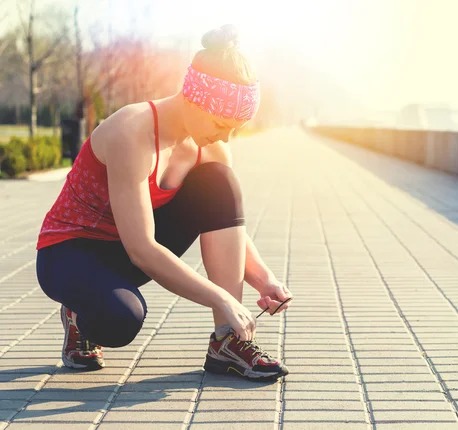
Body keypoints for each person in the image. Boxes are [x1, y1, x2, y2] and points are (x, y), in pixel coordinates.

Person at [35, 24, 292, 381]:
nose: (225, 136)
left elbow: (225, 224)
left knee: (220, 181)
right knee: (121, 319)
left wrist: (263, 279)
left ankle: (227, 342)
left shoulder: (211, 146)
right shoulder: (132, 130)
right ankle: (78, 312)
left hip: (126, 248)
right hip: (70, 252)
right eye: (221, 123)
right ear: (195, 97)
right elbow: (142, 249)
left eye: (235, 128)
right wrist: (220, 298)